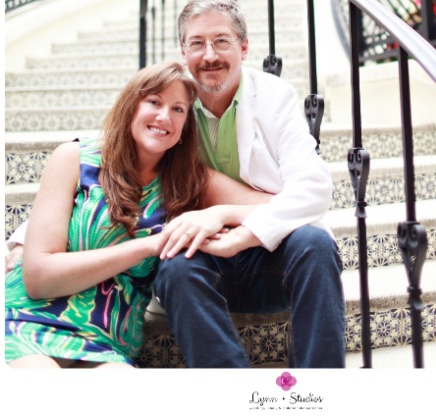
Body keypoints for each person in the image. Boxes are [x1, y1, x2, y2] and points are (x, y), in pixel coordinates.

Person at [5, 61, 271, 368]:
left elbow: (277, 205)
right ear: (131, 106)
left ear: (186, 126)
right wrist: (149, 245)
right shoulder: (76, 159)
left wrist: (219, 213)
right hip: (30, 321)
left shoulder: (190, 181)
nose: (164, 116)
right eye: (154, 102)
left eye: (178, 109)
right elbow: (39, 278)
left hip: (108, 341)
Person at [153, 0, 346, 368]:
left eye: (221, 41)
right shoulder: (169, 102)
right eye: (197, 43)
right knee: (174, 264)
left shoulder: (275, 96)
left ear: (243, 47)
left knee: (315, 243)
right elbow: (109, 164)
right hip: (201, 269)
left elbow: (315, 186)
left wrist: (235, 224)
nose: (209, 55)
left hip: (271, 262)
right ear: (183, 51)